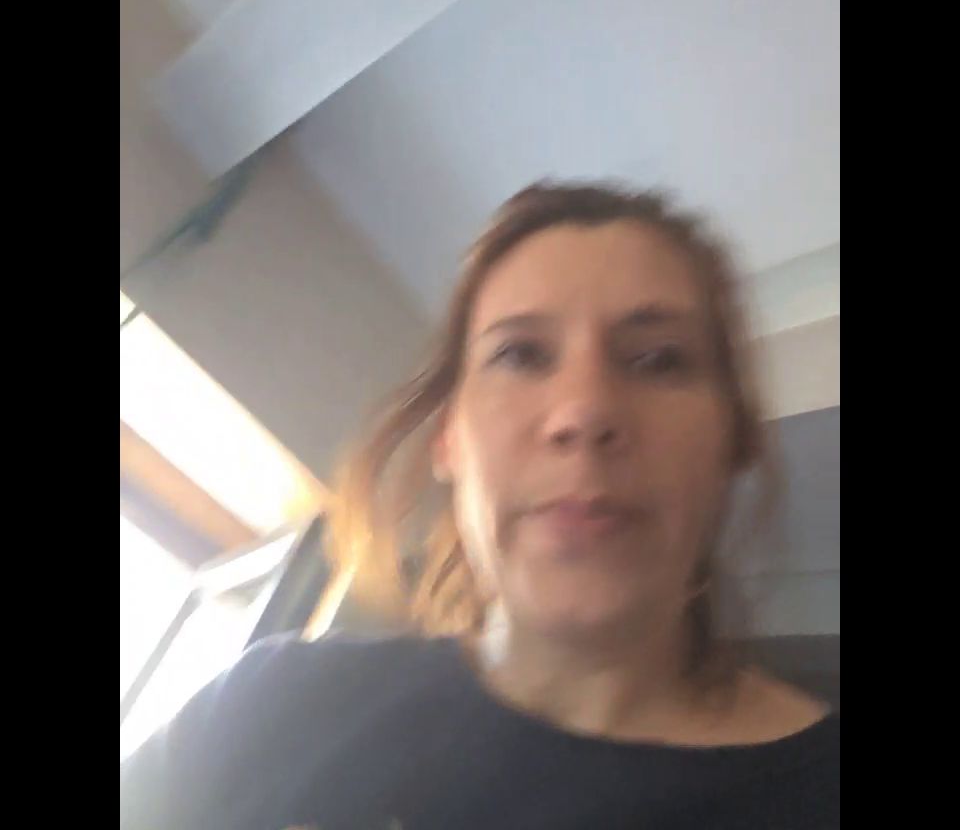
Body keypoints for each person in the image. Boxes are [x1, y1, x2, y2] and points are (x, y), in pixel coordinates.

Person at [120, 183, 839, 830]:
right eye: (521, 355)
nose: (583, 412)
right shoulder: (269, 705)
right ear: (449, 438)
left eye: (658, 360)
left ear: (734, 439)